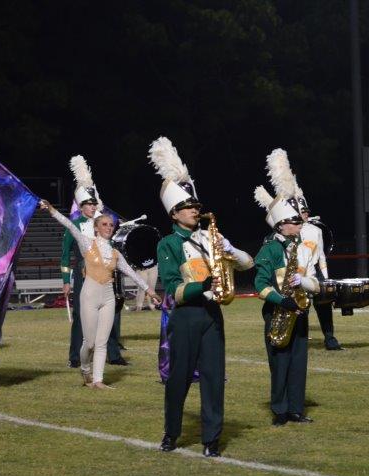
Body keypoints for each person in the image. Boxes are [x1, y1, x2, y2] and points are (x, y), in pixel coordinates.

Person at [150, 137, 253, 456]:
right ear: (174, 213)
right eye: (188, 207)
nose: (195, 210)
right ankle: (172, 433)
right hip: (185, 317)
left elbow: (248, 264)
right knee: (178, 379)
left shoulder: (210, 236)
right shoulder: (168, 244)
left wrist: (230, 250)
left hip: (212, 317)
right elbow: (173, 288)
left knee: (213, 379)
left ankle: (212, 439)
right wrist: (204, 285)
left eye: (196, 206)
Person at [43, 200, 158, 388]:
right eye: (104, 224)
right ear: (96, 228)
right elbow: (70, 225)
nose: (109, 227)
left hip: (108, 297)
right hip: (89, 295)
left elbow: (131, 272)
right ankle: (85, 369)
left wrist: (149, 291)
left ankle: (98, 380)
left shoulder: (115, 253)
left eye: (111, 225)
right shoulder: (86, 244)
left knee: (102, 342)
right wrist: (52, 210)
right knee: (89, 343)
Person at [254, 148, 320, 426]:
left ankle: (296, 409)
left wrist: (304, 285)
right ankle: (280, 410)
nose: (300, 223)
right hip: (278, 312)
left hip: (300, 311)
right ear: (282, 224)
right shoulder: (269, 249)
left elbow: (315, 282)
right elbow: (260, 285)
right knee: (279, 363)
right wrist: (283, 301)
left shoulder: (303, 248)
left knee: (298, 364)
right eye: (295, 221)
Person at [60, 156, 128, 367]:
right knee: (81, 315)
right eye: (88, 204)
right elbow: (65, 255)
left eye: (93, 203)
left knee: (110, 313)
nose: (92, 207)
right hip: (83, 273)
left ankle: (113, 355)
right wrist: (66, 281)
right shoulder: (73, 225)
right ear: (81, 206)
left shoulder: (104, 223)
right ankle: (75, 357)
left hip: (105, 272)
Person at [295, 187, 342, 350]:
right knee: (301, 306)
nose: (305, 214)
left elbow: (321, 255)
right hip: (297, 272)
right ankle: (300, 339)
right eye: (302, 211)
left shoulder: (316, 230)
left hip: (315, 271)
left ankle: (330, 339)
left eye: (306, 211)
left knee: (324, 305)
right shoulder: (290, 231)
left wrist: (326, 278)